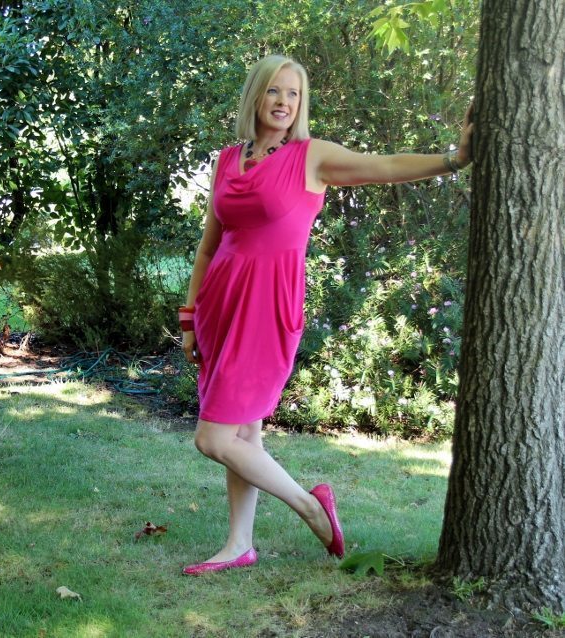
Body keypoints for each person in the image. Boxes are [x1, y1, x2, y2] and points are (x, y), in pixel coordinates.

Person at [179, 54, 473, 575]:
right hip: (219, 305)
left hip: (266, 307)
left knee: (214, 437)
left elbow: (384, 166)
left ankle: (311, 506)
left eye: (294, 94)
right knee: (244, 434)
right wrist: (188, 314)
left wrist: (454, 159)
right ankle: (239, 544)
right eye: (274, 91)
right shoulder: (227, 160)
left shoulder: (311, 157)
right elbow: (209, 245)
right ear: (256, 96)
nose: (284, 103)